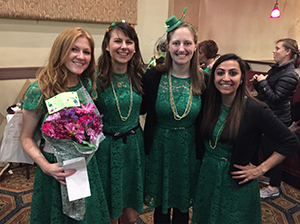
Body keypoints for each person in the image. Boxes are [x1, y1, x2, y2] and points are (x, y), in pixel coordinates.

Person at [192, 53, 298, 224]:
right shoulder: (209, 104)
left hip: (236, 182)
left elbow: (290, 141)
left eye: (233, 73)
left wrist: (260, 170)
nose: (226, 78)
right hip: (208, 176)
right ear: (213, 77)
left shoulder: (255, 109)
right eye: (220, 73)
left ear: (242, 78)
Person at [20, 27, 110, 223]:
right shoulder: (40, 89)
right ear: (61, 51)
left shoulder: (87, 86)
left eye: (86, 52)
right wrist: (46, 167)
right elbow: (25, 138)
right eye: (74, 49)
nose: (81, 56)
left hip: (85, 169)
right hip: (55, 171)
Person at [141, 8, 206, 224]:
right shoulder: (153, 76)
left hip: (189, 150)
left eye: (187, 43)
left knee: (182, 207)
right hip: (159, 148)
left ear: (195, 46)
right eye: (176, 43)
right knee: (160, 206)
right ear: (167, 46)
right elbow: (137, 108)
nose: (181, 49)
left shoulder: (204, 80)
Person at [95, 21, 145, 224]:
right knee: (109, 211)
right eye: (118, 41)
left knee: (131, 214)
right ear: (107, 45)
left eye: (129, 42)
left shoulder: (141, 76)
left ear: (135, 47)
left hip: (134, 147)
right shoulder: (93, 78)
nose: (124, 46)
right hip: (106, 149)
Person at [251, 38, 300, 198]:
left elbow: (276, 99)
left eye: (277, 48)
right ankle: (267, 176)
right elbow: (267, 93)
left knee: (274, 152)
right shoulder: (277, 69)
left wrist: (263, 83)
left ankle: (274, 187)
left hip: (278, 118)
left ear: (287, 52)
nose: (274, 51)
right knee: (266, 148)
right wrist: (259, 82)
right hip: (268, 115)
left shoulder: (291, 74)